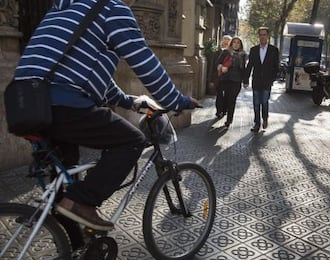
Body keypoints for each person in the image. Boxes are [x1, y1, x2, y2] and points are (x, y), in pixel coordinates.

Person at [12, 0, 199, 231]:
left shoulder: (68, 6)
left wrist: (127, 100)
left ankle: (70, 248)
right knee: (132, 141)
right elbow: (145, 62)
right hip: (64, 105)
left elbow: (86, 69)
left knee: (66, 174)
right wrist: (176, 100)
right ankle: (81, 203)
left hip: (25, 103)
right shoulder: (111, 8)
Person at [243, 27, 279, 132]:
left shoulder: (273, 50)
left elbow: (276, 67)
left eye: (264, 34)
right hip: (256, 81)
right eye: (261, 35)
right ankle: (256, 123)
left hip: (267, 82)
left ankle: (265, 118)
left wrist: (272, 79)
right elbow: (249, 66)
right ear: (258, 36)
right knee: (256, 103)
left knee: (264, 102)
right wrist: (246, 80)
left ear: (268, 36)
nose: (262, 36)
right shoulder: (254, 50)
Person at [216, 37, 247, 128]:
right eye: (234, 42)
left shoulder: (243, 55)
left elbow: (244, 69)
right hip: (225, 79)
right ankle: (223, 111)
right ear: (231, 44)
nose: (236, 44)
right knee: (225, 98)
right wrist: (222, 67)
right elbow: (218, 63)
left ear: (240, 45)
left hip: (237, 81)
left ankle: (229, 120)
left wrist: (245, 81)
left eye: (238, 43)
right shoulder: (226, 52)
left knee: (232, 100)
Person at [208, 35, 232, 118]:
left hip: (228, 78)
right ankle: (218, 111)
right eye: (224, 40)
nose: (226, 41)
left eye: (228, 40)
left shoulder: (231, 53)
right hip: (218, 78)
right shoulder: (217, 52)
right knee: (219, 95)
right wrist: (210, 80)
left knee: (227, 95)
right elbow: (212, 66)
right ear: (222, 41)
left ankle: (224, 110)